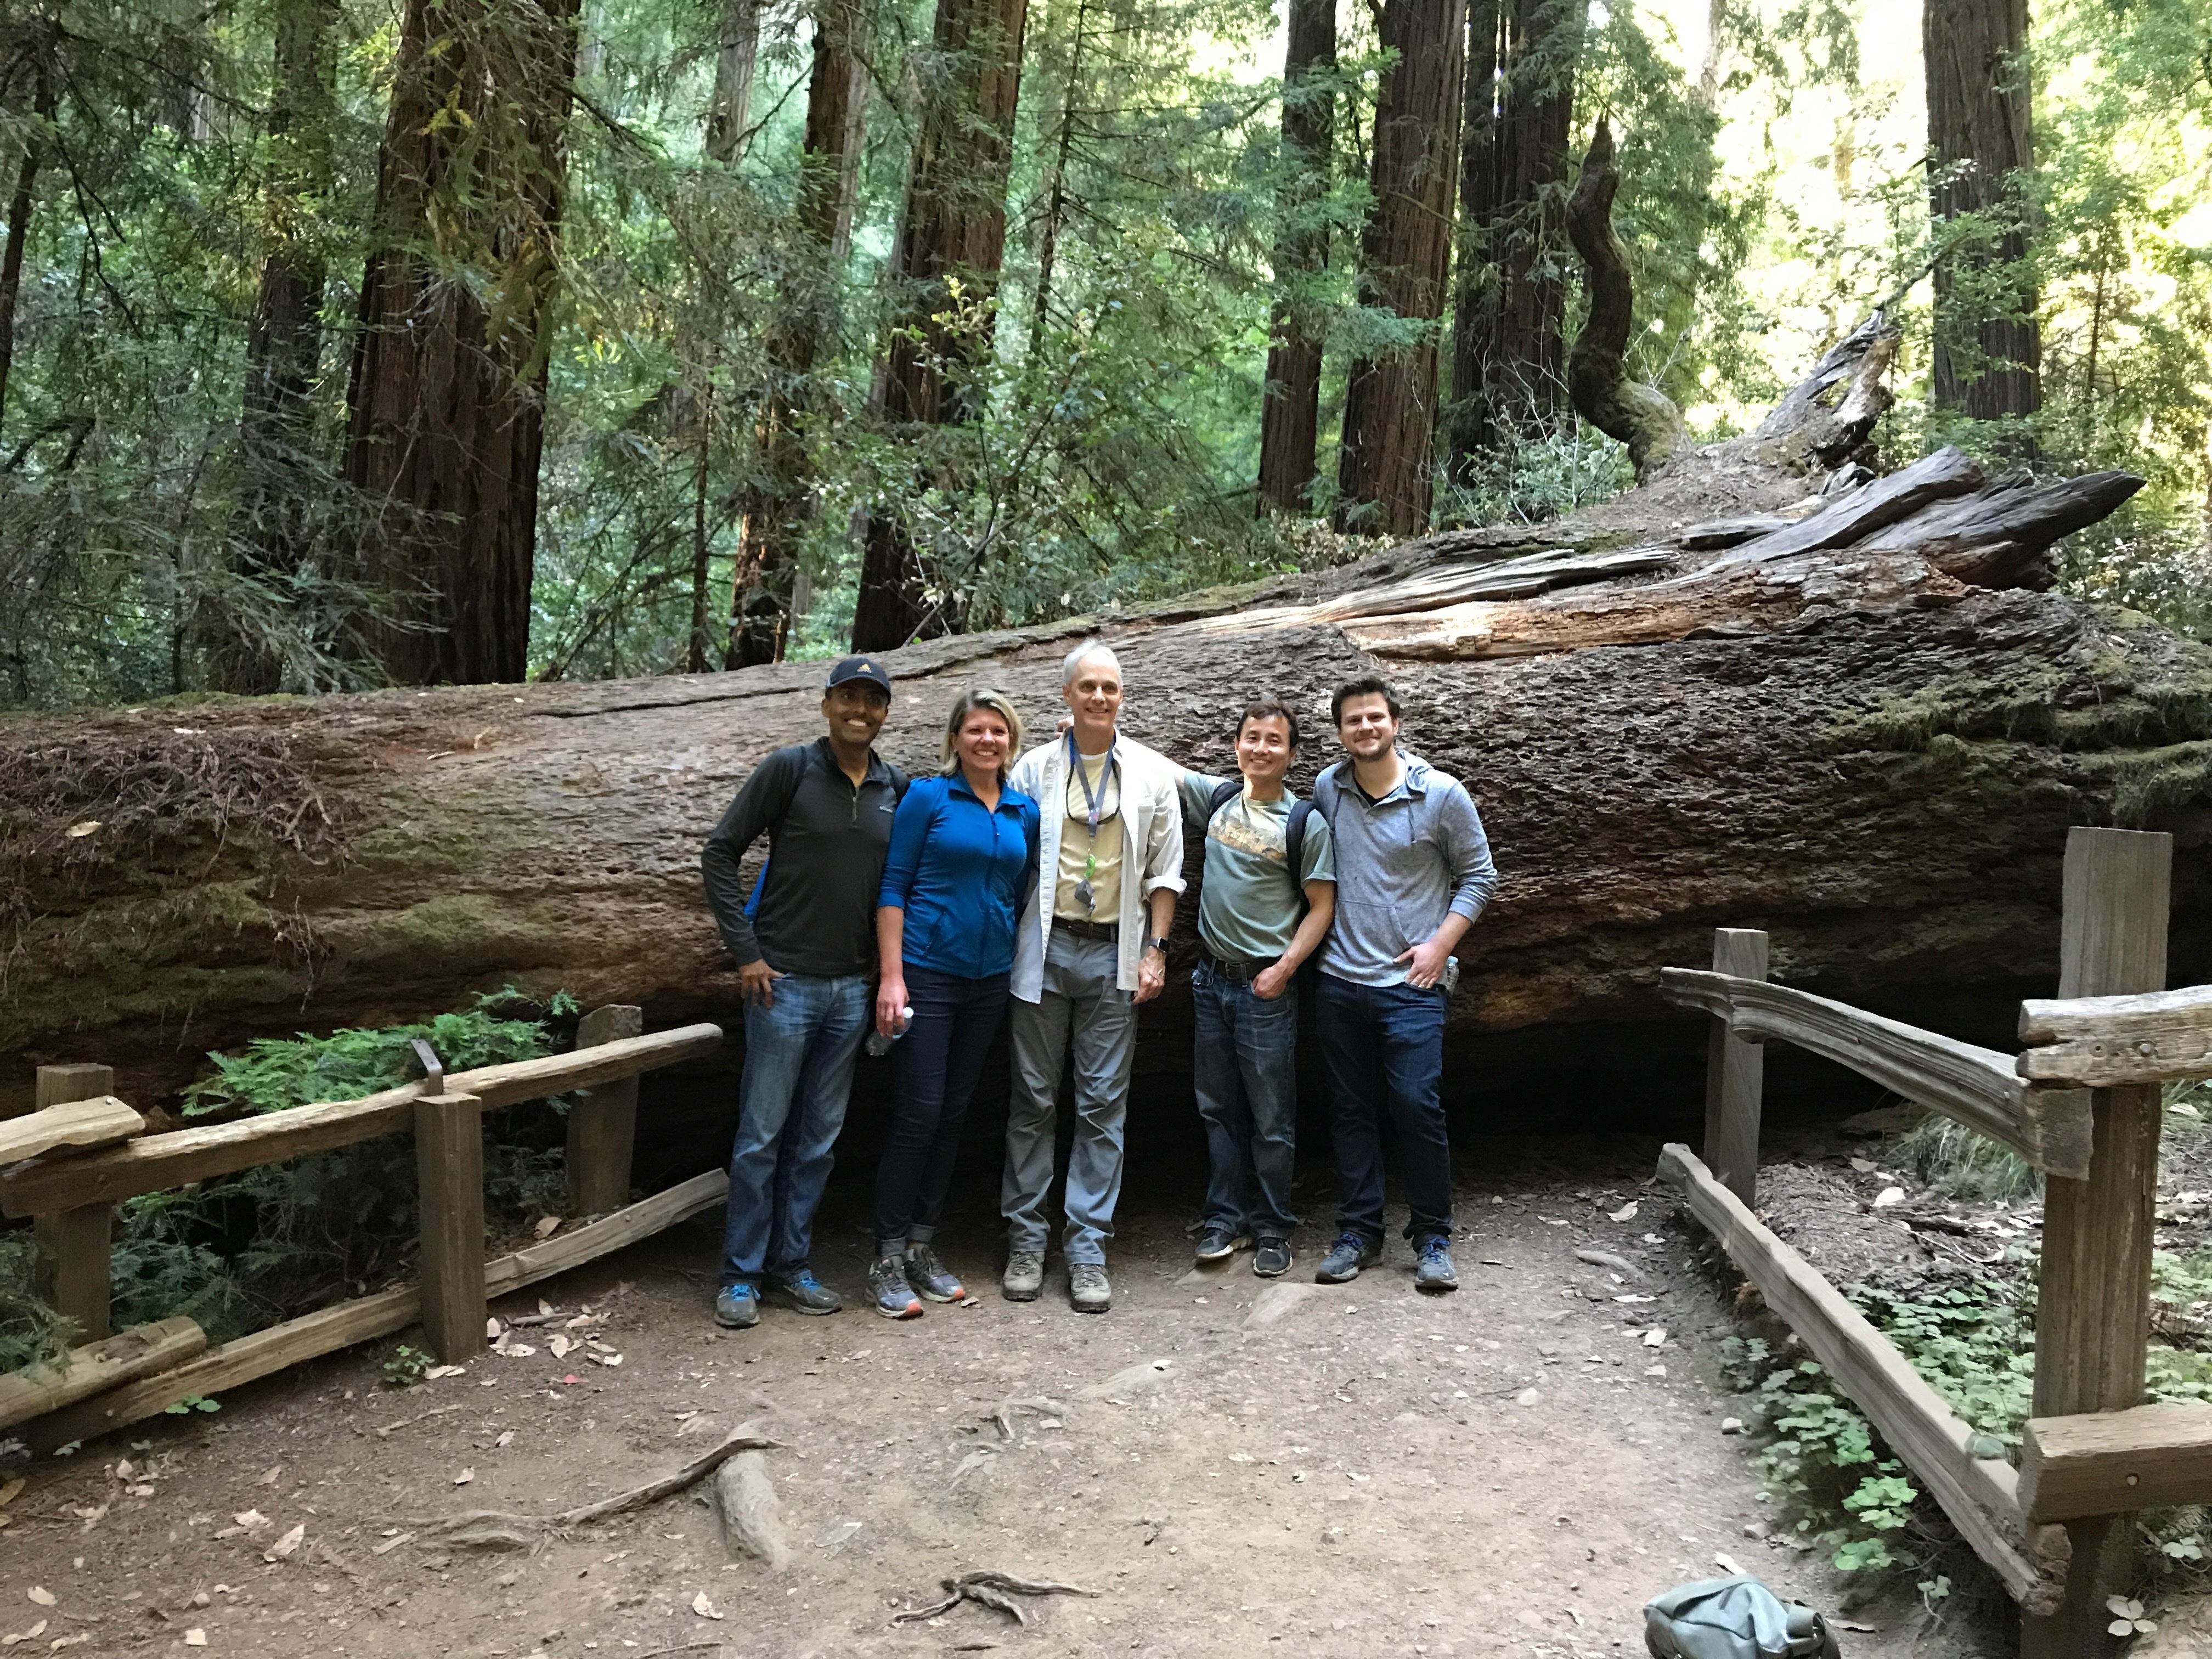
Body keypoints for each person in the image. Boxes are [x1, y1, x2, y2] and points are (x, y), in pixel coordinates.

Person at [702, 656, 906, 1329]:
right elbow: (720, 851)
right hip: (781, 984)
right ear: (827, 705)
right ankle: (739, 1275)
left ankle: (791, 1265)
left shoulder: (892, 786)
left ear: (883, 712)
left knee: (818, 1139)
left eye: (873, 701)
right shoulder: (789, 769)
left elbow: (895, 889)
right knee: (761, 1135)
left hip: (851, 988)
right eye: (849, 697)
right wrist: (748, 954)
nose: (860, 710)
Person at [1001, 641, 1185, 1313]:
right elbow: (1006, 852)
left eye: (1111, 688)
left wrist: (1156, 951)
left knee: (1103, 1107)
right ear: (1067, 696)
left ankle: (1085, 1247)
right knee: (1034, 1100)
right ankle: (1026, 1239)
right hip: (1044, 952)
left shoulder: (1147, 775)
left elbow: (1166, 870)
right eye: (1088, 687)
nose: (1100, 698)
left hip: (1115, 952)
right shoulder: (1034, 769)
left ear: (1122, 698)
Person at [1309, 676, 1497, 1294]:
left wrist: (1440, 946)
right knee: (1351, 1111)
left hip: (1411, 985)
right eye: (1352, 721)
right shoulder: (1327, 791)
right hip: (1340, 980)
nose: (1365, 729)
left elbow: (1479, 875)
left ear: (1395, 722)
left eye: (1374, 718)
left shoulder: (1440, 794)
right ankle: (1360, 1232)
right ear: (1340, 733)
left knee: (1417, 1106)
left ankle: (1433, 1237)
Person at [870, 689, 1041, 1319]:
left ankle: (922, 1246)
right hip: (927, 973)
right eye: (975, 730)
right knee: (919, 1111)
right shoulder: (928, 797)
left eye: (998, 730)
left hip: (989, 977)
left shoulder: (1025, 811)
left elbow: (1022, 890)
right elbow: (894, 886)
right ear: (955, 739)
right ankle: (886, 1257)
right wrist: (894, 978)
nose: (987, 740)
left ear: (1010, 740)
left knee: (954, 1113)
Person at [1178, 697, 1336, 1279]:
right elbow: (1154, 769)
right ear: (1237, 745)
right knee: (1218, 1108)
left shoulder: (1304, 822)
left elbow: (1323, 905)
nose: (1261, 748)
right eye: (1252, 737)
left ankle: (1273, 1225)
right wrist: (1088, 734)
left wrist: (1285, 968)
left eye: (1274, 740)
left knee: (1271, 1115)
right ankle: (1224, 1218)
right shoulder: (1217, 799)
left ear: (1292, 754)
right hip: (1209, 981)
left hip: (1265, 987)